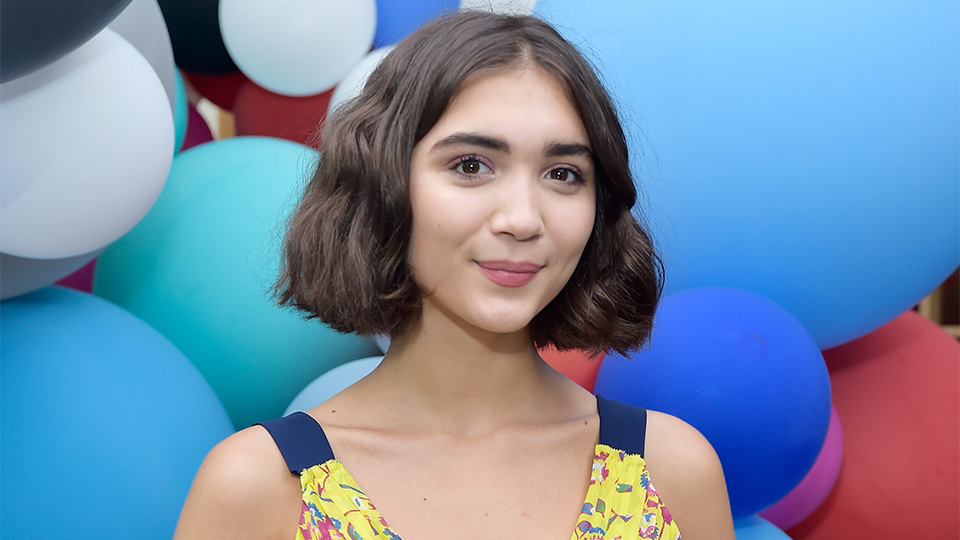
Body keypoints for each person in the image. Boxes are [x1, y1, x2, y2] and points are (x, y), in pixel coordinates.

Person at [174, 10, 734, 540]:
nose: (522, 219)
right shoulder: (261, 485)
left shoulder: (672, 471)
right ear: (384, 184)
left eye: (563, 173)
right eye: (471, 166)